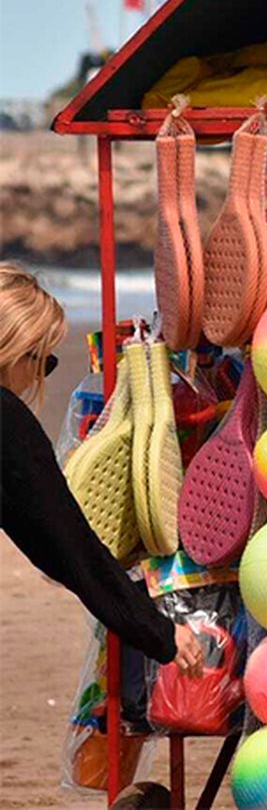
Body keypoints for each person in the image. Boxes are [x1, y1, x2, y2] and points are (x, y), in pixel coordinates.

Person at [0, 263, 203, 676]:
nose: (40, 376)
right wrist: (159, 631)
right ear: (15, 350)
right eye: (43, 361)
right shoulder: (7, 422)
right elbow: (65, 542)